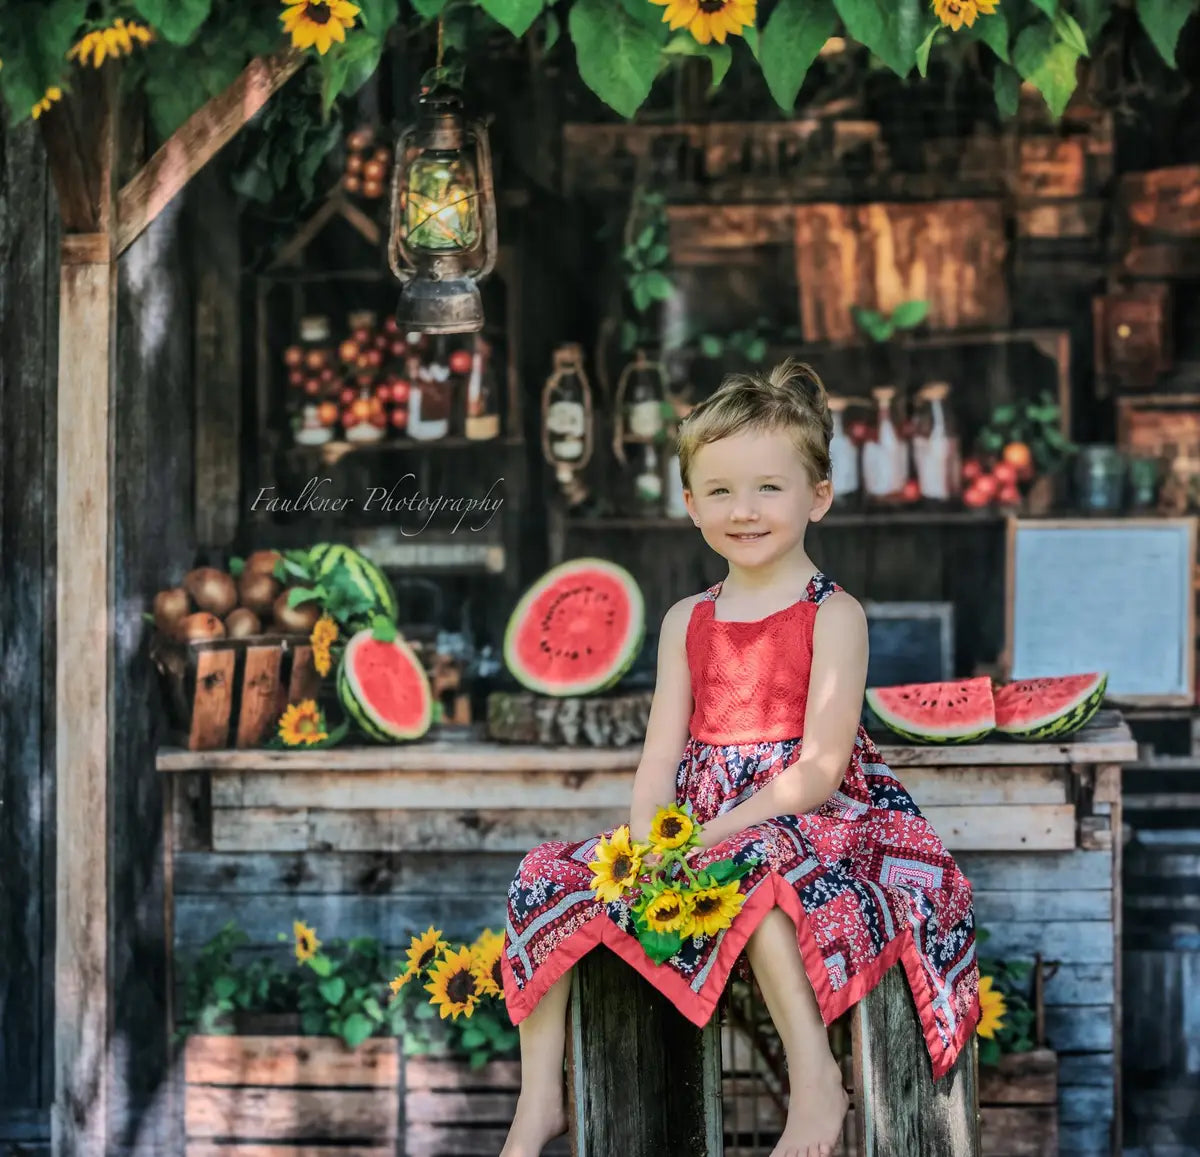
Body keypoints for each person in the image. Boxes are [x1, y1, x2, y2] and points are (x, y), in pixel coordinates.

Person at [498, 359, 980, 1157]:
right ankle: (540, 1101)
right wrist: (653, 839)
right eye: (718, 490)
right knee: (543, 873)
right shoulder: (687, 619)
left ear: (817, 496)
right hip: (698, 825)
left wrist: (714, 831)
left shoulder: (836, 615)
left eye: (767, 487)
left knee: (753, 865)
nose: (743, 510)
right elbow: (659, 758)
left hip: (814, 824)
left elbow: (820, 771)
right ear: (689, 505)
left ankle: (818, 1082)